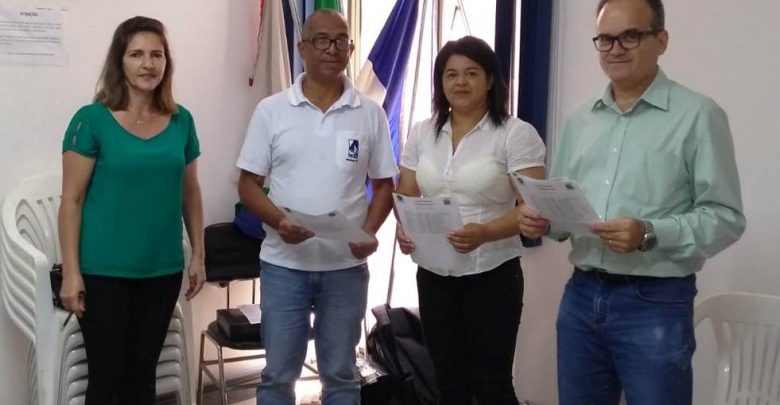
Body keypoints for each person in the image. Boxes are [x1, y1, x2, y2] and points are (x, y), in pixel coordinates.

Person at [518, 0, 746, 403]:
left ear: (662, 41)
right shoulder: (580, 119)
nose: (615, 48)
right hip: (581, 293)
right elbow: (563, 205)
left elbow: (726, 217)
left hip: (655, 301)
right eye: (605, 39)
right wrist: (544, 220)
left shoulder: (698, 115)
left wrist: (649, 233)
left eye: (630, 36)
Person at [235, 10, 398, 405]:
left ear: (350, 49)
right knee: (278, 377)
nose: (332, 49)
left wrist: (369, 232)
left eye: (341, 41)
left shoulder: (370, 113)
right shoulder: (272, 110)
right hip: (284, 266)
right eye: (322, 40)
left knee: (341, 376)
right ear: (302, 47)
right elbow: (248, 186)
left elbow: (384, 186)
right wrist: (279, 221)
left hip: (345, 268)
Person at [57, 16, 206, 405]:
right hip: (104, 272)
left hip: (162, 270)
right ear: (119, 61)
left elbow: (190, 192)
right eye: (137, 54)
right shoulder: (91, 120)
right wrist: (71, 272)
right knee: (106, 381)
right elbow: (71, 201)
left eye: (157, 55)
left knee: (143, 379)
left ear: (166, 63)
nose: (148, 64)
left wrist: (199, 255)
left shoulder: (182, 121)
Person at [395, 36, 546, 405]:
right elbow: (407, 194)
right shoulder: (422, 132)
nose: (460, 82)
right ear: (440, 82)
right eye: (451, 74)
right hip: (434, 274)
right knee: (449, 382)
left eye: (471, 73)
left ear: (490, 80)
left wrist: (486, 232)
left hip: (491, 274)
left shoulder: (514, 134)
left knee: (492, 383)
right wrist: (405, 227)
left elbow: (533, 207)